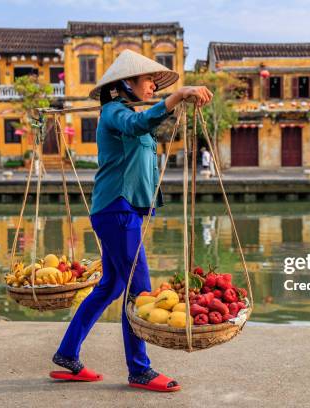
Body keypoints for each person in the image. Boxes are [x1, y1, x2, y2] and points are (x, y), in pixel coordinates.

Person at [49, 50, 212, 392]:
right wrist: (177, 95)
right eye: (148, 80)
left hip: (124, 211)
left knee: (111, 286)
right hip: (117, 210)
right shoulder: (114, 113)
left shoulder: (128, 113)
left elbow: (145, 135)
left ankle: (67, 355)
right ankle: (139, 369)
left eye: (156, 82)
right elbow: (138, 124)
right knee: (139, 291)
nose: (153, 85)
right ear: (127, 83)